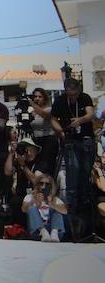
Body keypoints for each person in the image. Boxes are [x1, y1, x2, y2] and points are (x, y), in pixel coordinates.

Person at [51, 77, 96, 223]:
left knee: (85, 173)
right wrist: (60, 132)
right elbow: (52, 119)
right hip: (70, 140)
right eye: (70, 95)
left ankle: (85, 206)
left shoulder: (85, 98)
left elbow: (90, 114)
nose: (73, 98)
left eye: (75, 94)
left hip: (86, 139)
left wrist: (80, 120)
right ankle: (72, 209)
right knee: (72, 174)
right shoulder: (59, 100)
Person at [23, 172, 69, 242]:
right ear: (37, 184)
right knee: (32, 208)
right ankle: (43, 231)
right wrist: (33, 201)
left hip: (54, 229)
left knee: (57, 210)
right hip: (37, 231)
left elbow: (65, 211)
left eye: (47, 184)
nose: (44, 186)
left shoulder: (55, 199)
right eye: (41, 183)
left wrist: (51, 204)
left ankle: (54, 233)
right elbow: (24, 209)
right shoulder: (30, 197)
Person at [25, 88, 58, 174]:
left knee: (43, 168)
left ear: (44, 98)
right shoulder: (31, 112)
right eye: (35, 96)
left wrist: (31, 104)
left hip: (48, 140)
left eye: (40, 96)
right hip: (36, 141)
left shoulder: (49, 109)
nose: (37, 98)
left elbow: (44, 114)